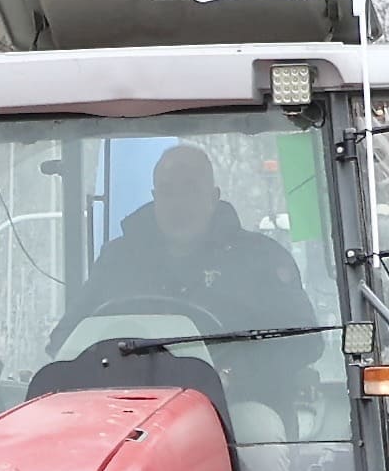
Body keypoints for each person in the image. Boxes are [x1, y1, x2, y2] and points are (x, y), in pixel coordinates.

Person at [82, 141, 316, 333]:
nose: (178, 204)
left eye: (190, 189)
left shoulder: (262, 260)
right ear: (154, 197)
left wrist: (238, 373)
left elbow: (302, 341)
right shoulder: (118, 262)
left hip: (240, 390)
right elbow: (66, 339)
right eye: (167, 191)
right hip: (137, 387)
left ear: (213, 197)